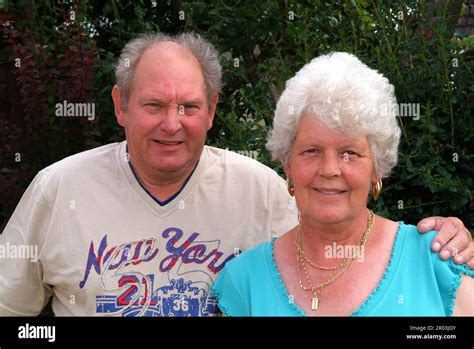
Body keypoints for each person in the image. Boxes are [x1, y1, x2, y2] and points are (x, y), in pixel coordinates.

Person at [0, 34, 471, 317]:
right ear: (120, 105)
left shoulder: (262, 189)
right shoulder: (58, 188)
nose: (172, 122)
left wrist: (447, 243)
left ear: (211, 112)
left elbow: (343, 230)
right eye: (153, 105)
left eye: (188, 105)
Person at [211, 52, 474, 316]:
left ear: (376, 168)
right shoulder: (244, 281)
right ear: (287, 164)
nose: (329, 170)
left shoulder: (437, 262)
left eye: (349, 153)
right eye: (311, 151)